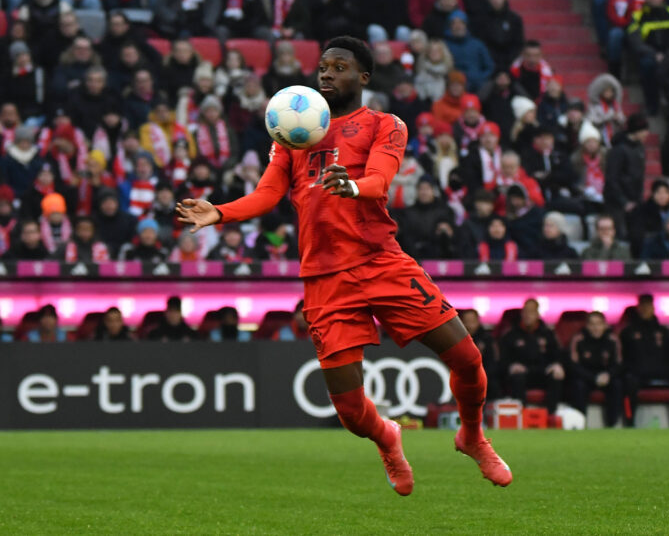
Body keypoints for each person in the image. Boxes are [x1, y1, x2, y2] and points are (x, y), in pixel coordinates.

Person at [177, 36, 511, 495]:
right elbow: (268, 194)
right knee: (352, 415)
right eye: (324, 68)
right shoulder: (293, 136)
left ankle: (471, 435)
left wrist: (353, 187)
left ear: (364, 77)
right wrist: (221, 211)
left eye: (339, 67)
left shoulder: (384, 124)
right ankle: (388, 438)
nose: (327, 75)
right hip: (325, 277)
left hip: (381, 261)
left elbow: (380, 178)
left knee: (468, 358)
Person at [620, 294, 669, 427]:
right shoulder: (628, 332)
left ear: (653, 308)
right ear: (638, 308)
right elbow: (622, 358)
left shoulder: (664, 332)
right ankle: (629, 423)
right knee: (627, 381)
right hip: (637, 374)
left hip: (662, 373)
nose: (646, 309)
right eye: (643, 305)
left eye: (649, 305)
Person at [626, 0, 669, 114]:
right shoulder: (637, 16)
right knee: (647, 65)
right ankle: (652, 105)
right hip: (650, 55)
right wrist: (654, 54)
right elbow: (636, 42)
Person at [499, 298, 565, 416]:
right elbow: (502, 360)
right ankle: (521, 416)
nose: (528, 315)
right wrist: (511, 366)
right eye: (525, 312)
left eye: (531, 312)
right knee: (517, 378)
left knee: (555, 378)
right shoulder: (511, 334)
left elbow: (558, 355)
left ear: (538, 314)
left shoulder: (548, 334)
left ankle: (551, 416)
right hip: (522, 373)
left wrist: (557, 365)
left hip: (543, 372)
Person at [568, 311, 623, 427]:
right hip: (587, 377)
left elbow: (619, 364)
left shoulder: (612, 340)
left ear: (605, 325)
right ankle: (580, 423)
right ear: (587, 326)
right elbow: (574, 366)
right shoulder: (579, 339)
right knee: (578, 385)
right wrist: (593, 378)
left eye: (598, 324)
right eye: (592, 324)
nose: (595, 328)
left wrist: (608, 375)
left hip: (606, 377)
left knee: (617, 384)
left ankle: (612, 424)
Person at [604, 113, 649, 238]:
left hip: (634, 201)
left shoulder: (640, 148)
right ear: (636, 130)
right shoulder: (618, 150)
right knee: (621, 236)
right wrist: (624, 202)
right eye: (644, 130)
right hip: (617, 204)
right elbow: (611, 179)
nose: (647, 133)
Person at [473, 0, 524, 72]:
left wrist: (509, 59)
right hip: (488, 62)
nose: (495, 0)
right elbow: (481, 42)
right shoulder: (480, 19)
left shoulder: (515, 19)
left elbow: (518, 43)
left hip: (510, 61)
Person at [458, 308, 501, 400]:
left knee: (493, 384)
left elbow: (493, 363)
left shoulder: (487, 339)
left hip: (484, 375)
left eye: (472, 321)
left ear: (478, 321)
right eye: (466, 321)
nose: (469, 325)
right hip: (462, 376)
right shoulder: (456, 339)